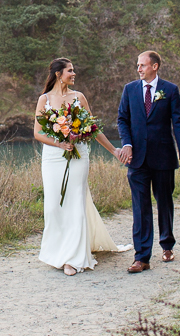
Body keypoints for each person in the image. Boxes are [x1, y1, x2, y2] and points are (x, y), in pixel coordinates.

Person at [34, 57, 126, 275]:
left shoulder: (79, 97)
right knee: (54, 206)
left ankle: (73, 259)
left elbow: (92, 128)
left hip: (78, 155)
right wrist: (60, 142)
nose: (74, 74)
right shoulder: (44, 99)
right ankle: (56, 253)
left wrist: (114, 150)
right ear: (58, 74)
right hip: (53, 157)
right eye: (70, 70)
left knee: (75, 203)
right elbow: (37, 133)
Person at [116, 50, 180, 273]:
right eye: (137, 65)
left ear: (155, 66)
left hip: (163, 157)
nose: (138, 69)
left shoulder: (170, 90)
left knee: (164, 202)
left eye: (142, 65)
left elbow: (179, 124)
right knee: (140, 207)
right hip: (136, 159)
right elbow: (122, 119)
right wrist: (127, 143)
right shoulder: (130, 89)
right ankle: (142, 257)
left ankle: (167, 243)